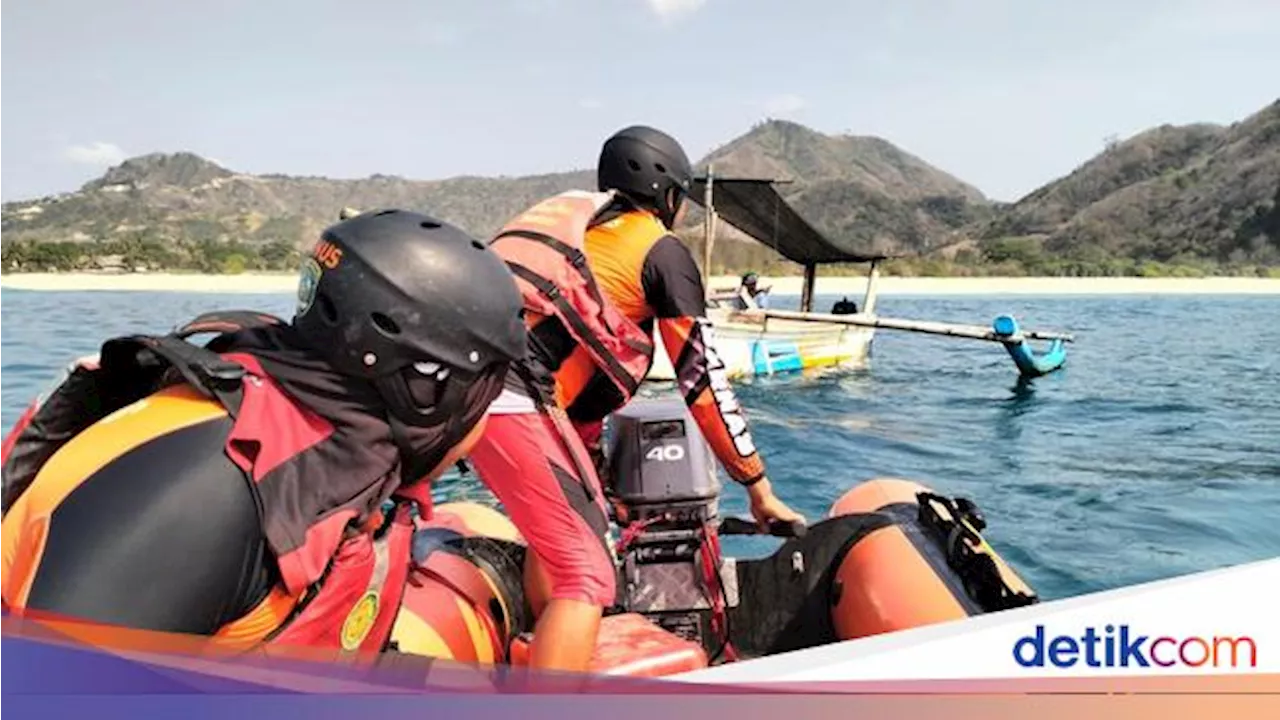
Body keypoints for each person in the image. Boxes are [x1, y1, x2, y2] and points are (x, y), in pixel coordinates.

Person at [0, 210, 526, 658]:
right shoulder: (215, 491)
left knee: (476, 523)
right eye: (487, 393)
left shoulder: (321, 434)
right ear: (429, 391)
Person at [469, 125, 805, 673]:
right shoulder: (661, 253)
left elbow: (569, 358)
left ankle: (547, 646)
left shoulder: (578, 229)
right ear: (670, 196)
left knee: (558, 540)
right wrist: (757, 487)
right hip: (515, 400)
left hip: (466, 391)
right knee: (587, 571)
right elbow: (702, 381)